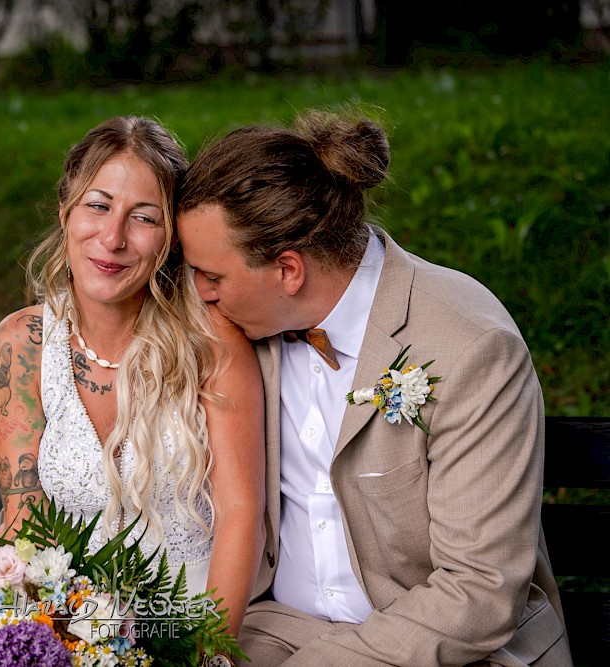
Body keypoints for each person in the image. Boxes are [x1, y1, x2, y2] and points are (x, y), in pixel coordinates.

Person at [175, 109, 572, 666]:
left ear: (289, 271)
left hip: (446, 646)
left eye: (211, 277)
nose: (198, 294)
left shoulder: (470, 345)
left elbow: (478, 591)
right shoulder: (241, 333)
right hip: (278, 634)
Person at [0, 116, 266, 639]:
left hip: (186, 627)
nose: (112, 239)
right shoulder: (21, 345)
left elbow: (239, 511)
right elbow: (23, 519)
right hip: (68, 626)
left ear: (171, 238)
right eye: (98, 206)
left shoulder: (211, 343)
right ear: (66, 211)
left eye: (143, 218)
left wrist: (209, 651)